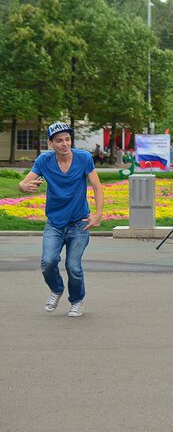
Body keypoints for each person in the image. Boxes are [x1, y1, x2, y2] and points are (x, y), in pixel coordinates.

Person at [18, 122, 104, 317]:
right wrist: (24, 187)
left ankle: (76, 301)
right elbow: (23, 183)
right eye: (59, 141)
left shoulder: (83, 158)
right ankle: (56, 289)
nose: (65, 144)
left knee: (73, 266)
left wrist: (98, 214)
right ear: (51, 143)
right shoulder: (44, 161)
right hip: (55, 224)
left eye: (67, 139)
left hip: (79, 223)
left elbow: (97, 187)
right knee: (48, 262)